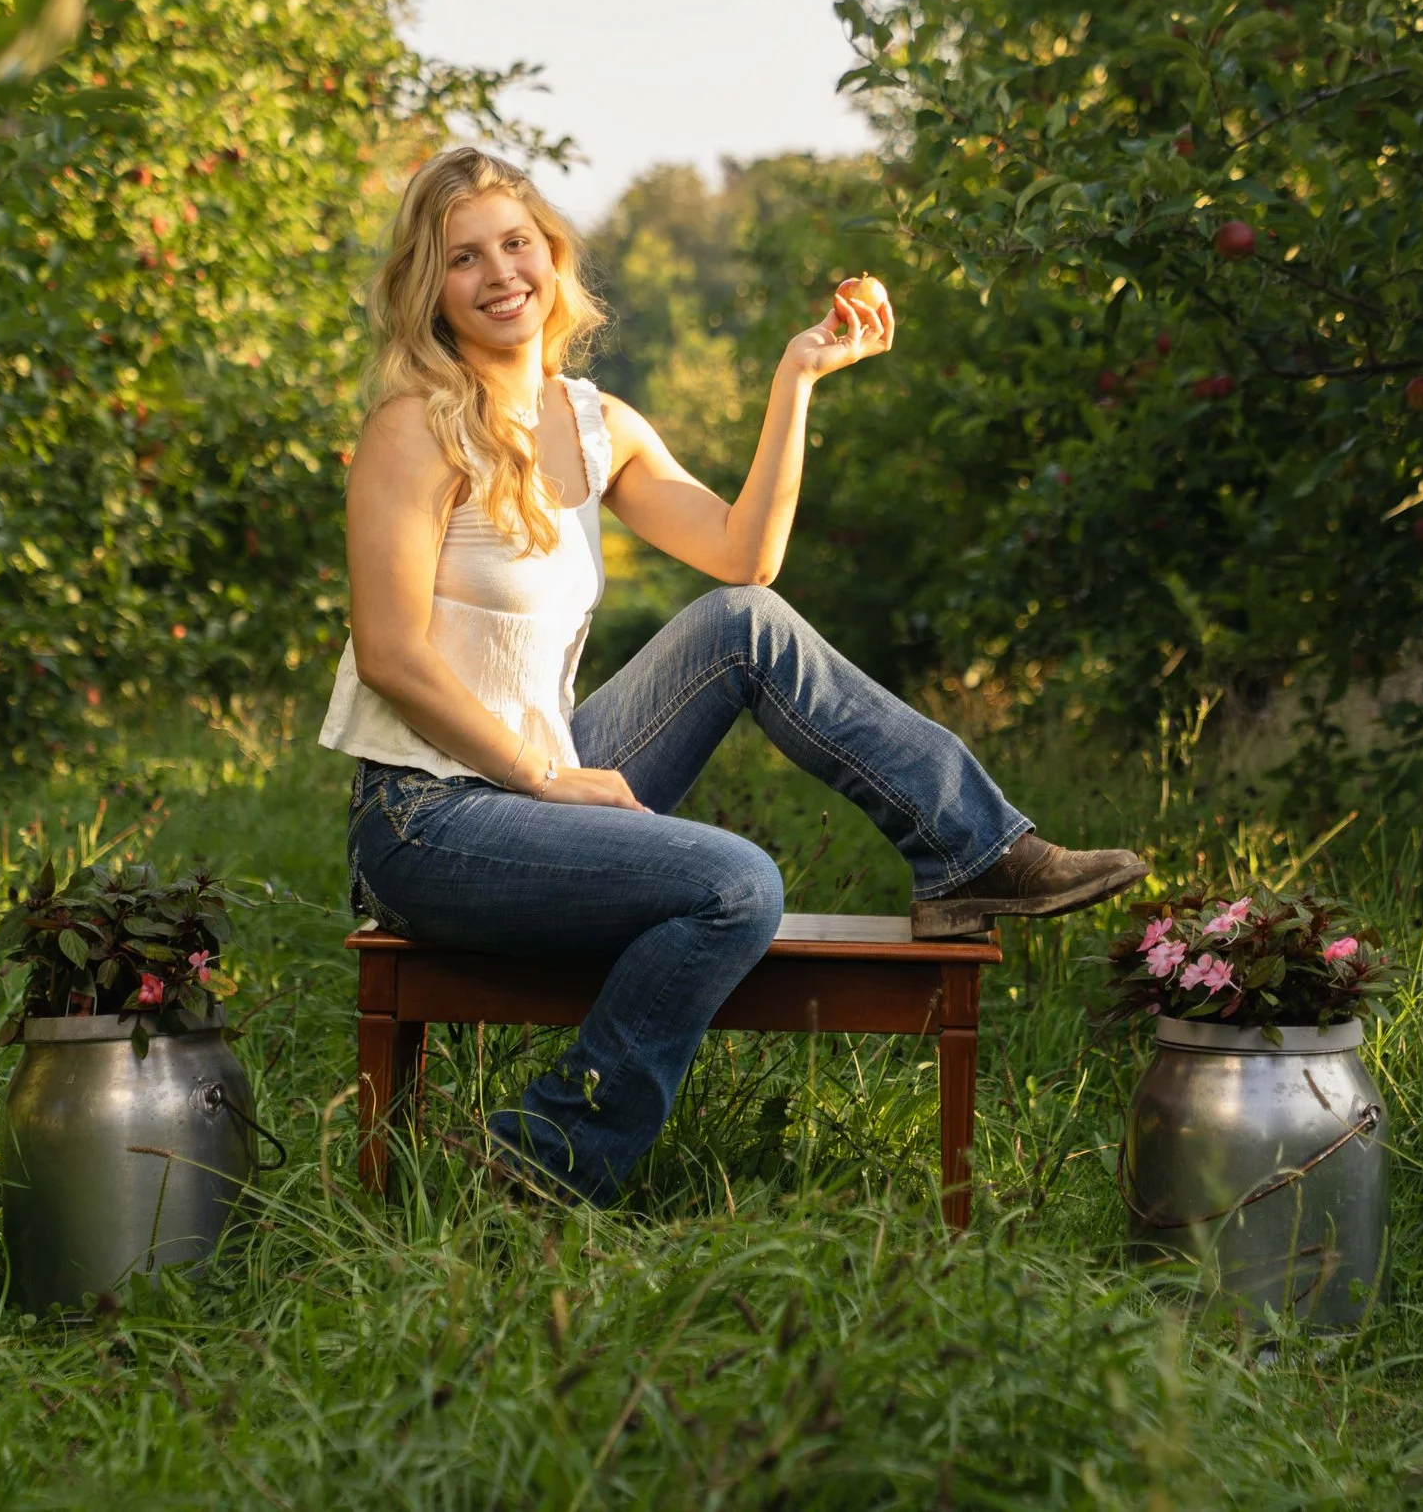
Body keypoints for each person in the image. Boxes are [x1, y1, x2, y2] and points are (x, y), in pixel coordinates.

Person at [321, 146, 1147, 1206]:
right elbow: (392, 656)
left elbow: (743, 554)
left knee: (743, 623)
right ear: (426, 290)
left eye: (515, 243)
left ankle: (972, 850)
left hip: (541, 782)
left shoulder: (593, 421)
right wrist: (541, 774)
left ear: (552, 255)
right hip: (426, 817)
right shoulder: (414, 428)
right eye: (460, 257)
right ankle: (547, 1151)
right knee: (736, 884)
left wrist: (794, 379)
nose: (498, 274)